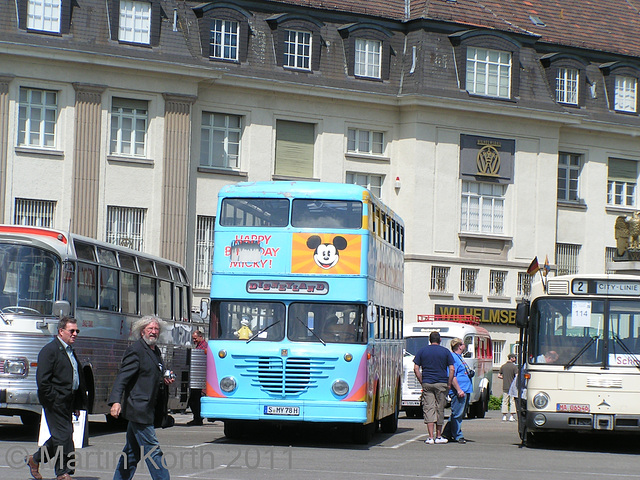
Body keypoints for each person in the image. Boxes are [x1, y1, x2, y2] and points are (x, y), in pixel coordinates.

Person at [109, 316, 175, 480]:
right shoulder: (136, 350)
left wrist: (165, 378)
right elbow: (122, 378)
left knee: (131, 453)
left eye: (156, 329)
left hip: (149, 408)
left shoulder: (155, 350)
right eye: (150, 329)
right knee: (153, 450)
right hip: (139, 409)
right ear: (142, 331)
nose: (153, 332)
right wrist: (116, 401)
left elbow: (152, 374)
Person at [26, 316, 86, 480]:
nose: (75, 334)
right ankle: (62, 473)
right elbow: (42, 381)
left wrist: (76, 404)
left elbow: (75, 377)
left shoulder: (70, 351)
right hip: (55, 401)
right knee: (63, 436)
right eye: (71, 331)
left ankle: (35, 459)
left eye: (76, 331)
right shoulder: (49, 351)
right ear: (61, 331)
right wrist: (53, 398)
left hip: (68, 401)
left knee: (64, 435)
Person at [413, 331, 454, 445]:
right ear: (440, 340)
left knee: (429, 408)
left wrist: (422, 380)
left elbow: (416, 368)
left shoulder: (422, 351)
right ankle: (439, 436)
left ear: (429, 340)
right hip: (441, 382)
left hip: (427, 382)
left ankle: (430, 437)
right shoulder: (445, 352)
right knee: (439, 409)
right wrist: (449, 383)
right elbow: (452, 369)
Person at [442, 338, 473, 444]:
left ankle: (446, 433)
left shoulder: (460, 358)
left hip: (466, 388)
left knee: (459, 413)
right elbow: (452, 375)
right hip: (459, 390)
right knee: (457, 414)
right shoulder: (453, 358)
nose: (465, 346)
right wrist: (458, 389)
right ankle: (458, 435)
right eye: (463, 344)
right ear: (459, 346)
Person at [187, 329, 208, 426]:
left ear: (200, 337)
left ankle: (198, 419)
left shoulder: (203, 347)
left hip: (200, 379)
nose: (194, 340)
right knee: (194, 399)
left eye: (195, 338)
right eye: (193, 339)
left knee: (194, 400)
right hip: (198, 378)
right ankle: (197, 418)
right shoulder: (200, 346)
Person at [498, 353, 518, 422]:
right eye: (515, 358)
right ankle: (512, 416)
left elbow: (499, 375)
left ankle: (504, 416)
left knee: (505, 401)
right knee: (512, 401)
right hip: (512, 387)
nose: (515, 359)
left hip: (505, 386)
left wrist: (504, 377)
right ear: (511, 358)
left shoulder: (503, 366)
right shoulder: (514, 367)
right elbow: (517, 376)